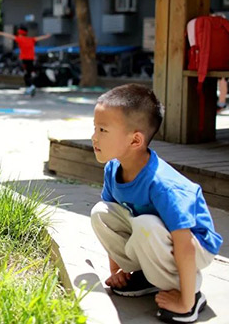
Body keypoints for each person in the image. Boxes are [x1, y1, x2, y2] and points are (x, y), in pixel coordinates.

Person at [90, 84, 222, 323]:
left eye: (103, 130)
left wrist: (185, 301)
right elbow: (114, 219)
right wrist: (117, 270)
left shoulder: (163, 185)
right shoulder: (113, 169)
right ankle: (143, 277)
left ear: (135, 140)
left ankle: (191, 293)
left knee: (146, 225)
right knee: (101, 212)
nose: (94, 137)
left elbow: (186, 244)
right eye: (94, 128)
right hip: (159, 237)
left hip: (195, 245)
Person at [0, 26, 50, 96]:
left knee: (26, 75)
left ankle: (31, 86)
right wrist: (47, 36)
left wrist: (0, 33)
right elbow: (39, 38)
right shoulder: (31, 39)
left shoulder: (20, 39)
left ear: (20, 33)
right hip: (31, 59)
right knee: (29, 73)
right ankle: (31, 86)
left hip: (25, 59)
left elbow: (10, 36)